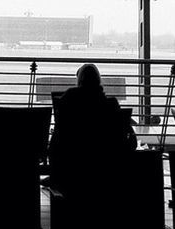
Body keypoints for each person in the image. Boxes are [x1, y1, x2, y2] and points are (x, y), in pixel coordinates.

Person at [47, 61, 136, 189]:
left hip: (72, 165)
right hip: (103, 165)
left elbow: (58, 135)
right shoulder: (111, 104)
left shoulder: (68, 99)